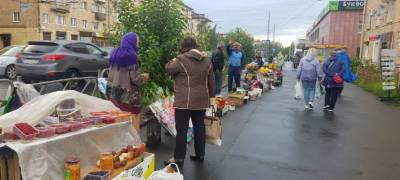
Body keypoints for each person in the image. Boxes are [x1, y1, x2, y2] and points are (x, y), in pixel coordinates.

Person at [165, 37, 216, 167]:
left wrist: (175, 58)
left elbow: (169, 69)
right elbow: (211, 82)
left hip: (184, 101)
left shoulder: (181, 59)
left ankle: (179, 158)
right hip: (202, 100)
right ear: (196, 46)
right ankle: (200, 155)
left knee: (181, 129)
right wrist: (212, 98)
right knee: (199, 127)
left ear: (183, 47)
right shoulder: (207, 60)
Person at [107, 32, 149, 131]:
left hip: (115, 94)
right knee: (134, 126)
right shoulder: (132, 56)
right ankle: (134, 145)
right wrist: (144, 77)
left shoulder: (114, 53)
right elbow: (136, 79)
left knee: (119, 124)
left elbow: (110, 76)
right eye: (137, 42)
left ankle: (121, 145)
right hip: (129, 97)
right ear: (132, 42)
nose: (138, 45)